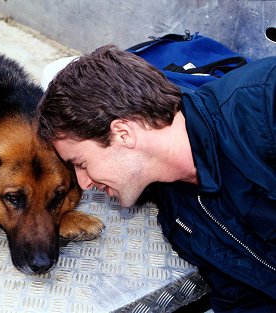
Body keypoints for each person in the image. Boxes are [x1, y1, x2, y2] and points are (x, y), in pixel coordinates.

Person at [36, 44, 276, 312]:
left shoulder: (264, 102)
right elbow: (242, 299)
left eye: (80, 163)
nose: (83, 184)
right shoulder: (181, 221)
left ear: (123, 134)